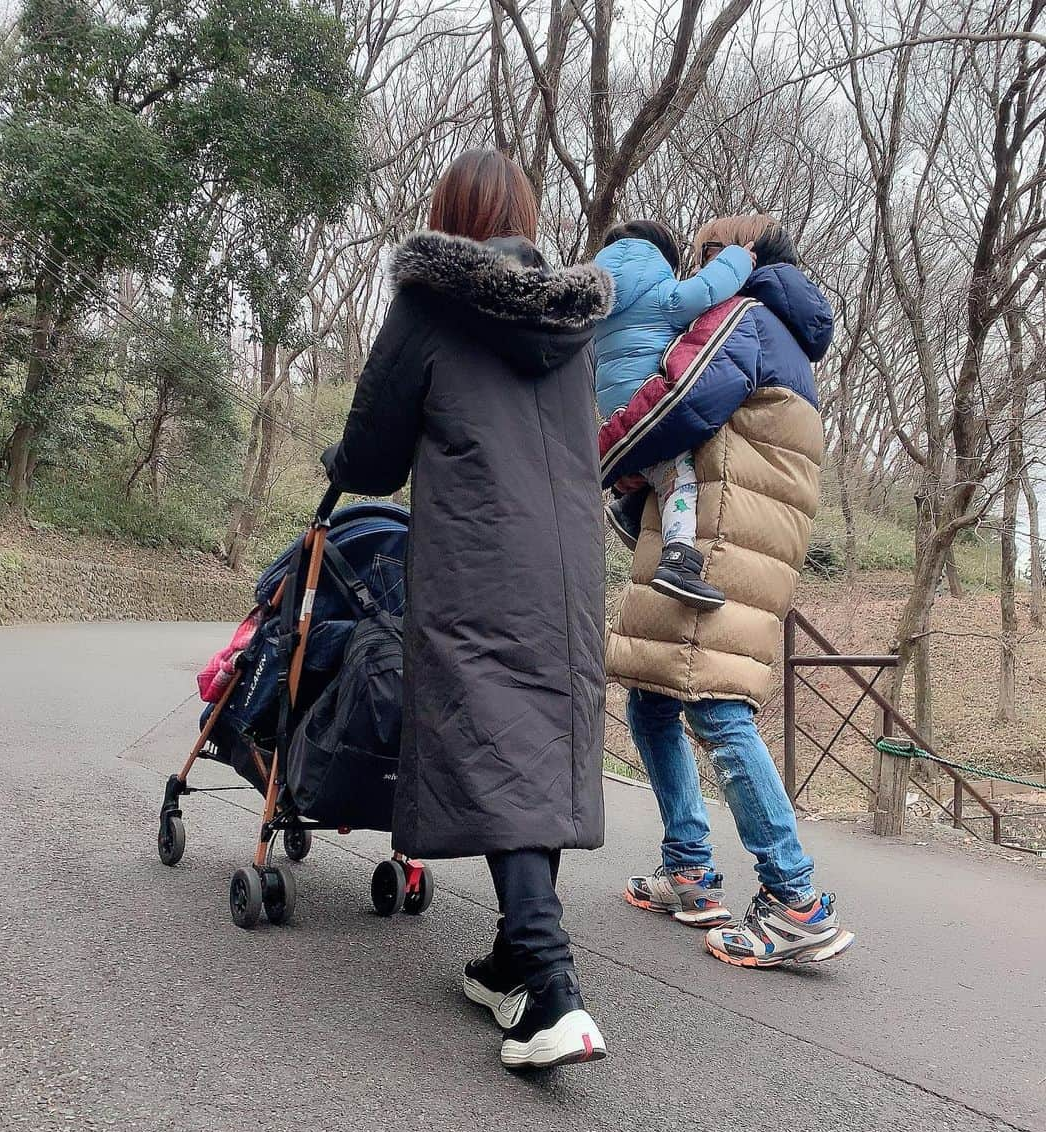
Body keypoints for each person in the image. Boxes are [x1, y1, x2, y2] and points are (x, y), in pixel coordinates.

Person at [325, 149, 612, 1067]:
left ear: (449, 213)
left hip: (480, 554)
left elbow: (372, 458)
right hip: (567, 562)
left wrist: (338, 470)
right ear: (526, 217)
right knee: (533, 733)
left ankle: (552, 989)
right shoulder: (575, 323)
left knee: (493, 735)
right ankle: (508, 961)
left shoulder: (430, 305)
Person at [604, 214, 855, 968]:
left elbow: (680, 399)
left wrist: (599, 453)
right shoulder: (786, 337)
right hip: (737, 534)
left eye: (706, 253)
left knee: (716, 708)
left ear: (735, 259)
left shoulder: (742, 318)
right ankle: (689, 869)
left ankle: (795, 898)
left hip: (713, 538)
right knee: (652, 700)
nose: (694, 268)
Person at [593, 221, 754, 609]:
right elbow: (706, 289)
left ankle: (629, 512)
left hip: (614, 413)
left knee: (649, 471)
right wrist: (738, 258)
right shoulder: (661, 292)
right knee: (680, 478)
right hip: (650, 404)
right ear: (662, 257)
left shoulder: (598, 304)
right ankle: (679, 559)